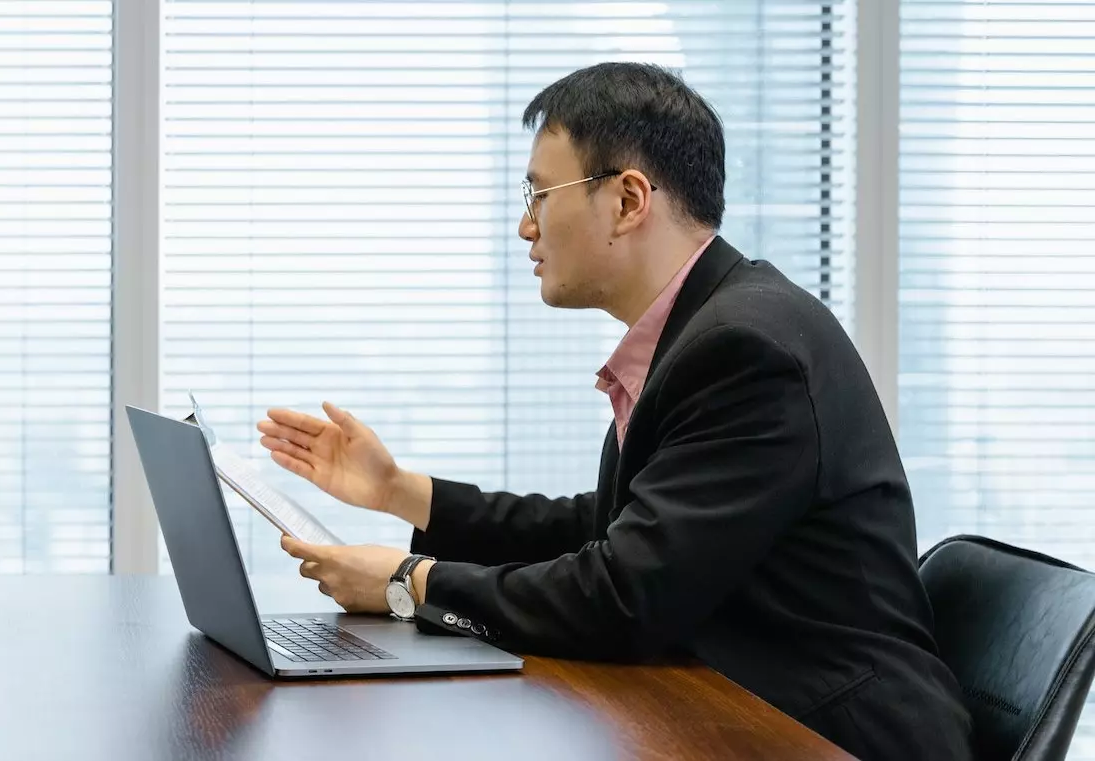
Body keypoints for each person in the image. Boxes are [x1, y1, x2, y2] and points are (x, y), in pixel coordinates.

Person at [254, 63, 971, 760]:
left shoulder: (748, 349)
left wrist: (406, 582)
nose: (524, 228)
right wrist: (396, 490)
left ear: (628, 201)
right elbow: (608, 530)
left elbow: (625, 594)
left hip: (833, 734)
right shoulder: (704, 330)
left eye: (539, 195)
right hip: (742, 706)